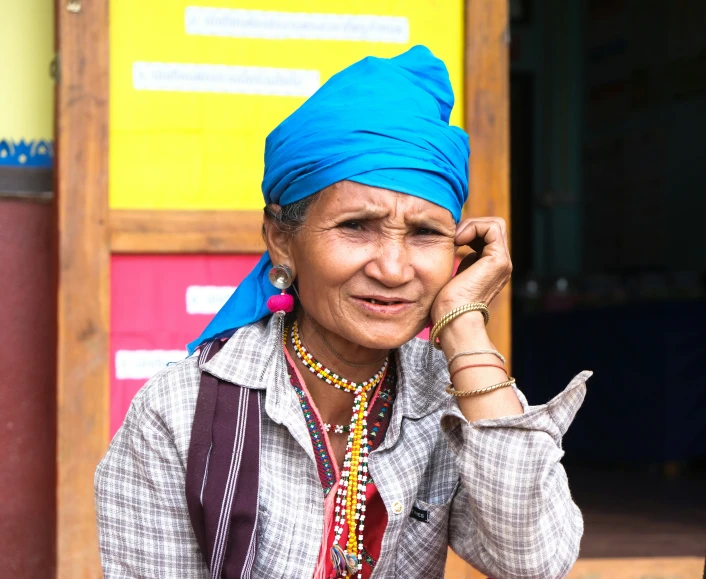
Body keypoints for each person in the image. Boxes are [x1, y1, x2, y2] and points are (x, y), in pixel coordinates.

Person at [95, 46, 589, 579]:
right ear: (281, 238)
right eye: (357, 226)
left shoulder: (453, 400)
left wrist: (464, 324)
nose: (395, 268)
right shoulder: (180, 412)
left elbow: (533, 563)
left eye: (425, 233)